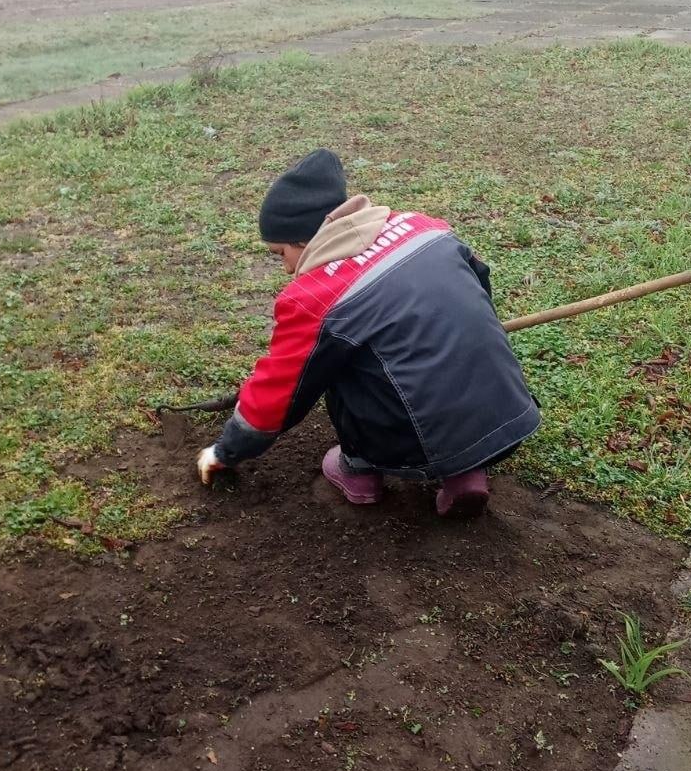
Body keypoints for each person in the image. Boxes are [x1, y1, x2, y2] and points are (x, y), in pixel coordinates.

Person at [196, 148, 540, 517]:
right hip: (508, 416)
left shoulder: (316, 299)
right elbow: (480, 289)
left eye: (280, 253)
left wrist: (225, 451)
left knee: (332, 364)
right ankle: (466, 474)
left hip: (410, 443)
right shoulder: (428, 229)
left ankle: (359, 470)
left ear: (303, 240)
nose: (285, 268)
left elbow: (281, 391)